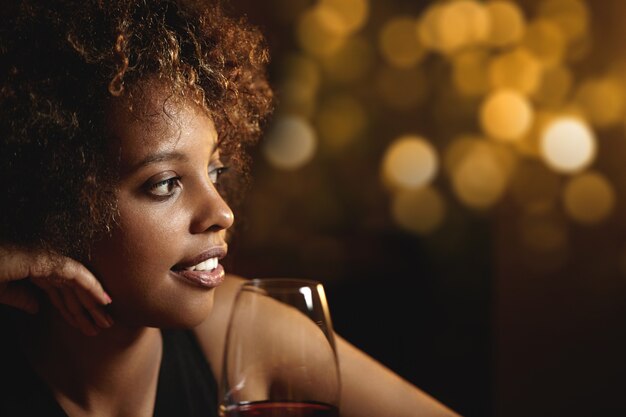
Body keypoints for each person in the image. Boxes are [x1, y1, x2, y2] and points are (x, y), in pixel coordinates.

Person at [0, 1, 460, 416]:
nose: (222, 212)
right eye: (165, 184)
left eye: (215, 171)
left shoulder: (246, 331)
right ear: (57, 202)